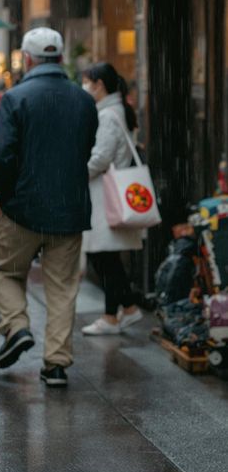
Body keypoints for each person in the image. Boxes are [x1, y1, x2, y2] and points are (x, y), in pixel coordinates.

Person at [0, 27, 97, 388]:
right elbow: (86, 147)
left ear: (28, 59)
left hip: (23, 207)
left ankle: (17, 326)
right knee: (63, 287)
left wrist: (3, 194)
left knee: (6, 271)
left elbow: (2, 155)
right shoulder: (83, 100)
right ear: (61, 58)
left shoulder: (15, 98)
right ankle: (56, 364)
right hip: (69, 207)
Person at [80, 62, 146, 336]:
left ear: (99, 84)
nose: (85, 87)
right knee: (107, 257)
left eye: (88, 82)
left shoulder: (108, 115)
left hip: (105, 191)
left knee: (103, 255)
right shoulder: (116, 111)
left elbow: (101, 157)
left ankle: (111, 316)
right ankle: (127, 308)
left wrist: (76, 175)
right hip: (111, 190)